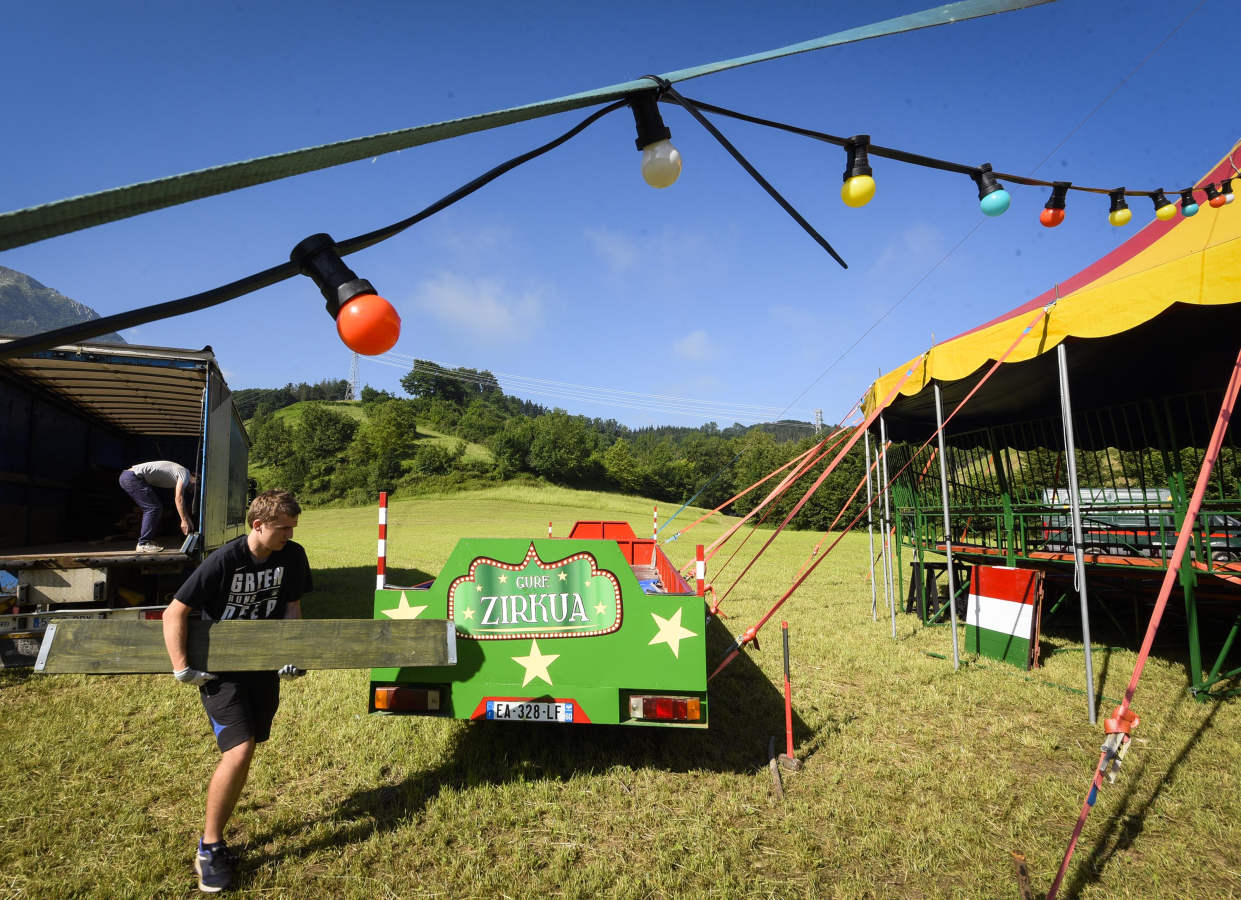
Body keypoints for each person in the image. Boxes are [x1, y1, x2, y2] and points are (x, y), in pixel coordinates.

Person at [162, 489, 312, 893]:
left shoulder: (293, 556)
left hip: (262, 667)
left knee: (252, 743)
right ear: (258, 525)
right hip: (220, 672)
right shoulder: (225, 560)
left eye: (293, 528)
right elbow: (175, 611)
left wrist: (291, 652)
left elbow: (292, 607)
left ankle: (213, 842)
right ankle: (209, 848)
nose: (289, 535)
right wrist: (182, 669)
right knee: (240, 748)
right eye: (283, 528)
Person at [119, 460, 197, 551]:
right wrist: (183, 520)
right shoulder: (185, 473)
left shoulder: (181, 474)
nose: (194, 489)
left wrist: (187, 518)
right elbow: (178, 498)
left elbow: (181, 501)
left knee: (154, 507)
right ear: (195, 476)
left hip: (129, 477)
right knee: (153, 508)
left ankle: (146, 541)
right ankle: (144, 543)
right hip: (132, 477)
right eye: (196, 485)